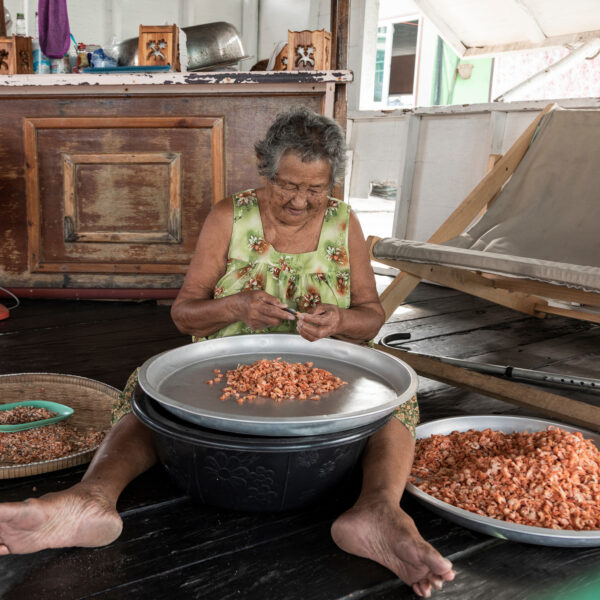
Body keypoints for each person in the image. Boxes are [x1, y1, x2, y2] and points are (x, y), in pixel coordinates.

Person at [0, 107, 454, 598]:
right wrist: (234, 305)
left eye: (316, 189)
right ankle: (90, 501)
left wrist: (340, 320)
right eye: (288, 185)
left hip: (325, 375)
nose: (301, 201)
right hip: (225, 372)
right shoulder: (230, 216)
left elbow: (371, 316)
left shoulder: (345, 223)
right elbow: (183, 314)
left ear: (332, 184)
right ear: (265, 170)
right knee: (144, 392)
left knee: (398, 400)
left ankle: (378, 511)